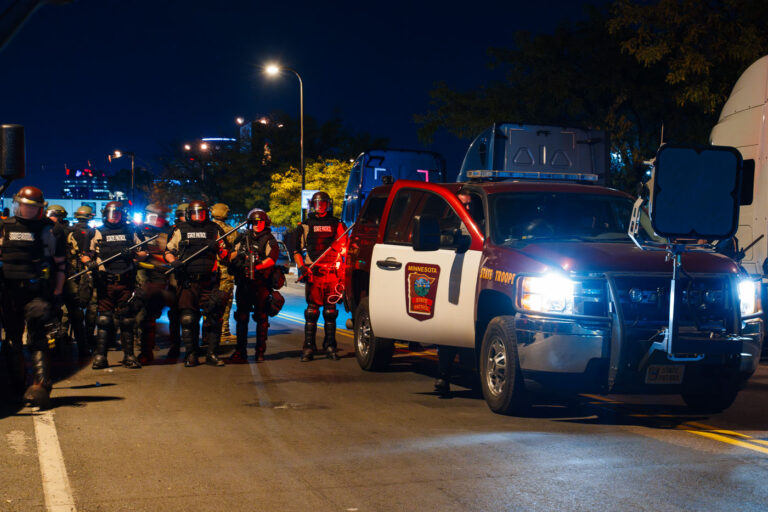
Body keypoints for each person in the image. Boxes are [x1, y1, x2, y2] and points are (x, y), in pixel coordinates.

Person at [0, 186, 66, 409]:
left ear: (39, 208)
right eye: (23, 205)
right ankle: (16, 388)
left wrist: (57, 293)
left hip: (37, 292)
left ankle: (41, 387)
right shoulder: (3, 227)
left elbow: (61, 266)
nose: (25, 210)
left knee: (38, 339)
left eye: (31, 207)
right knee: (12, 341)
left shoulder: (51, 230)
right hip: (8, 292)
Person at [164, 200, 230, 367]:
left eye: (201, 213)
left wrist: (218, 249)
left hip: (209, 281)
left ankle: (212, 354)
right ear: (189, 214)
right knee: (188, 319)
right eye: (195, 213)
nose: (198, 216)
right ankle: (191, 354)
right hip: (188, 282)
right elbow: (168, 251)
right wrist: (173, 262)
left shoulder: (215, 229)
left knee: (214, 318)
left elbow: (227, 253)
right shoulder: (180, 230)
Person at [82, 201, 147, 370]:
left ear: (122, 214)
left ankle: (129, 356)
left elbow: (144, 252)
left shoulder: (131, 231)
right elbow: (85, 254)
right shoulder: (96, 231)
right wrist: (89, 263)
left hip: (126, 280)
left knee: (127, 320)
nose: (114, 217)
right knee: (104, 320)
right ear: (105, 215)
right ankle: (101, 357)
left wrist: (133, 253)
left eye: (117, 213)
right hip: (105, 280)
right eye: (111, 214)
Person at [292, 191, 347, 362]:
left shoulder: (337, 224)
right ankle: (309, 346)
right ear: (312, 205)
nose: (319, 206)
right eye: (316, 203)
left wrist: (338, 247)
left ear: (327, 204)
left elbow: (345, 248)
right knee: (312, 312)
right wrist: (301, 267)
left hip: (331, 272)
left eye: (322, 203)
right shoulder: (306, 225)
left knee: (330, 312)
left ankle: (330, 345)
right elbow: (296, 250)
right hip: (313, 272)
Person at [228, 208, 280, 363]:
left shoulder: (269, 239)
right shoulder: (243, 238)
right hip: (244, 284)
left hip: (261, 284)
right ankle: (240, 352)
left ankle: (260, 352)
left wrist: (256, 267)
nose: (257, 225)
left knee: (261, 318)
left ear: (266, 223)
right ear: (250, 223)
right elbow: (231, 254)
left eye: (260, 222)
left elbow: (271, 259)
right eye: (254, 222)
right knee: (242, 317)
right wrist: (238, 259)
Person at [47, 205, 90, 359]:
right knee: (52, 314)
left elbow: (79, 254)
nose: (50, 217)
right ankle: (56, 346)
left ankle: (82, 349)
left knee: (75, 314)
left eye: (53, 215)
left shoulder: (67, 232)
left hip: (66, 276)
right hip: (52, 276)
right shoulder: (49, 230)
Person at [135, 203, 173, 365]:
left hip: (167, 274)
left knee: (179, 314)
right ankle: (145, 349)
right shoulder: (141, 231)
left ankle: (174, 345)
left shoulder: (169, 230)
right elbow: (139, 253)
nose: (162, 219)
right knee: (145, 315)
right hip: (147, 276)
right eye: (160, 216)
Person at [67, 205, 97, 351]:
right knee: (92, 306)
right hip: (90, 272)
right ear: (90, 216)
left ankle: (65, 339)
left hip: (71, 273)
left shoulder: (68, 231)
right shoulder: (94, 232)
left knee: (71, 307)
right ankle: (88, 338)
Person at [210, 203, 238, 341]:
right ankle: (224, 331)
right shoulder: (231, 230)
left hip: (208, 270)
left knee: (209, 302)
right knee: (225, 302)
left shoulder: (206, 228)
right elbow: (236, 251)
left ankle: (208, 332)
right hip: (225, 270)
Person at [165, 203, 188, 359]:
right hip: (176, 275)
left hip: (194, 275)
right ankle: (175, 345)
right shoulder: (175, 231)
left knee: (190, 314)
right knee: (175, 313)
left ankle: (191, 347)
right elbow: (168, 251)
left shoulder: (201, 229)